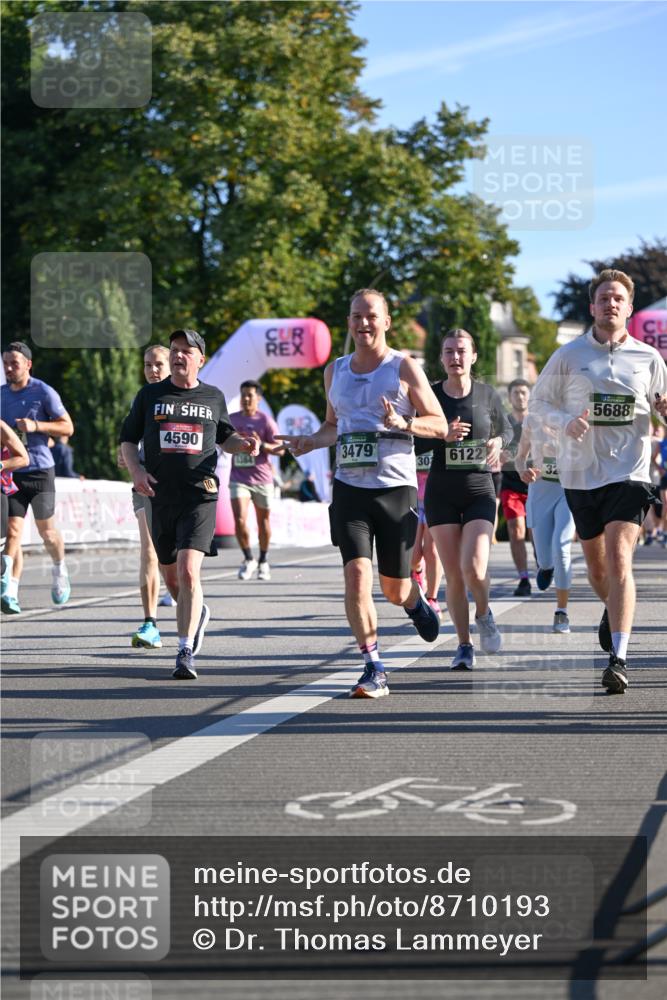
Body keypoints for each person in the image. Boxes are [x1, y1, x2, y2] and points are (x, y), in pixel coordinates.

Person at [279, 288, 447, 699]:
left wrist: (404, 425)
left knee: (393, 587)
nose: (363, 323)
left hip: (394, 488)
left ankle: (414, 603)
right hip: (350, 490)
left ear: (386, 322)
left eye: (371, 316)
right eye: (356, 316)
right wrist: (309, 442)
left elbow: (439, 424)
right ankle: (373, 665)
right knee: (356, 576)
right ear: (349, 322)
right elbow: (333, 425)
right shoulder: (334, 371)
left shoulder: (403, 367)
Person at [530, 268, 667, 693]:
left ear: (628, 308)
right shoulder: (569, 355)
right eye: (603, 297)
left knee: (620, 557)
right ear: (592, 307)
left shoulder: (649, 359)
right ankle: (613, 609)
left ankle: (619, 657)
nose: (610, 303)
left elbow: (663, 408)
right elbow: (537, 404)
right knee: (596, 565)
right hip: (579, 473)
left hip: (630, 472)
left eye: (618, 298)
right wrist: (565, 421)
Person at [120, 329, 259, 680]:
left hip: (200, 494)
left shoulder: (213, 397)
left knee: (187, 569)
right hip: (158, 496)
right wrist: (136, 470)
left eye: (186, 351)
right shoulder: (150, 394)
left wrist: (245, 445)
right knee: (171, 575)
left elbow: (226, 437)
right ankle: (196, 612)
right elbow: (127, 439)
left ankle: (184, 651)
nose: (179, 356)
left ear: (201, 359)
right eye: (175, 350)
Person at [424, 329, 513, 669]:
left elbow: (509, 430)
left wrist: (498, 442)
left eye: (461, 351)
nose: (455, 357)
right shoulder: (430, 397)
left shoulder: (487, 394)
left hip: (479, 489)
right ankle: (463, 645)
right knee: (454, 575)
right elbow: (414, 441)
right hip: (441, 492)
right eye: (449, 351)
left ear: (473, 356)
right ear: (441, 358)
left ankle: (484, 612)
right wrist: (440, 434)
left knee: (474, 567)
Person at [1, 341, 74, 614]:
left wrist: (36, 425)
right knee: (13, 532)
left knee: (47, 533)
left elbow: (68, 426)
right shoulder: (0, 395)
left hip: (41, 471)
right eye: (5, 363)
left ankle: (59, 568)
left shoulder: (43, 392)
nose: (9, 368)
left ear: (28, 365)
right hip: (11, 472)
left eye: (14, 363)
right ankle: (10, 589)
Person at [118, 345, 173, 649]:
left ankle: (186, 602)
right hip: (146, 484)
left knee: (175, 557)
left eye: (158, 365)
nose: (152, 370)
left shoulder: (187, 397)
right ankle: (150, 622)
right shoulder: (142, 397)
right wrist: (126, 455)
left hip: (180, 488)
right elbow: (129, 436)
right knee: (149, 550)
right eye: (148, 365)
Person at [515, 416, 575, 634]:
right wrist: (523, 470)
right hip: (540, 491)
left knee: (561, 546)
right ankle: (546, 566)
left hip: (569, 490)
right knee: (546, 557)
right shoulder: (532, 418)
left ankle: (562, 611)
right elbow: (520, 457)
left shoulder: (578, 413)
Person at [228, 380, 284, 581]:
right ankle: (248, 558)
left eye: (250, 395)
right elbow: (221, 442)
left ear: (258, 398)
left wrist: (262, 445)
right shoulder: (232, 419)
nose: (245, 399)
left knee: (263, 521)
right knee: (240, 519)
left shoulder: (266, 421)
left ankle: (263, 560)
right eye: (243, 395)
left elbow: (281, 450)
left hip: (262, 478)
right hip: (238, 478)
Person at [500, 378, 533, 596]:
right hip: (511, 484)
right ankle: (523, 578)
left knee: (536, 532)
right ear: (510, 397)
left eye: (523, 392)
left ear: (529, 395)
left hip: (536, 484)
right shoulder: (503, 424)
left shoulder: (538, 421)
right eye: (515, 393)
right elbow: (496, 451)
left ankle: (545, 566)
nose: (520, 396)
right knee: (516, 530)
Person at [411, 442, 444, 620]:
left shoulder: (439, 427)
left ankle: (432, 598)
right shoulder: (410, 427)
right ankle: (417, 573)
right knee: (414, 555)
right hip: (413, 498)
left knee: (432, 550)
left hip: (436, 496)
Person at [1, 419, 29, 562]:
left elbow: (24, 458)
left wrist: (1, 464)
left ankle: (10, 582)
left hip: (12, 482)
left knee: (13, 533)